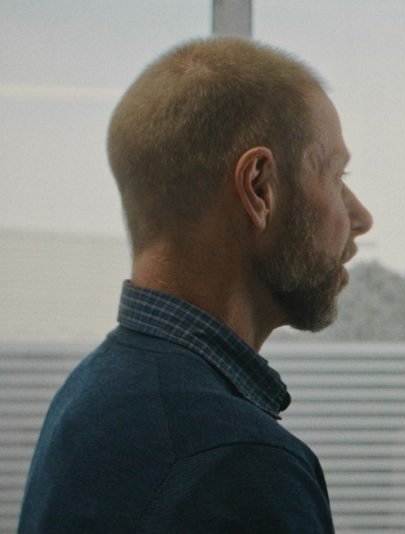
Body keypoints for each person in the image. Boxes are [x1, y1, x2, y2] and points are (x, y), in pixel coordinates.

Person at [19, 36, 372, 533]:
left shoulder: (94, 395)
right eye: (336, 175)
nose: (360, 216)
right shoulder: (234, 463)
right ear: (259, 188)